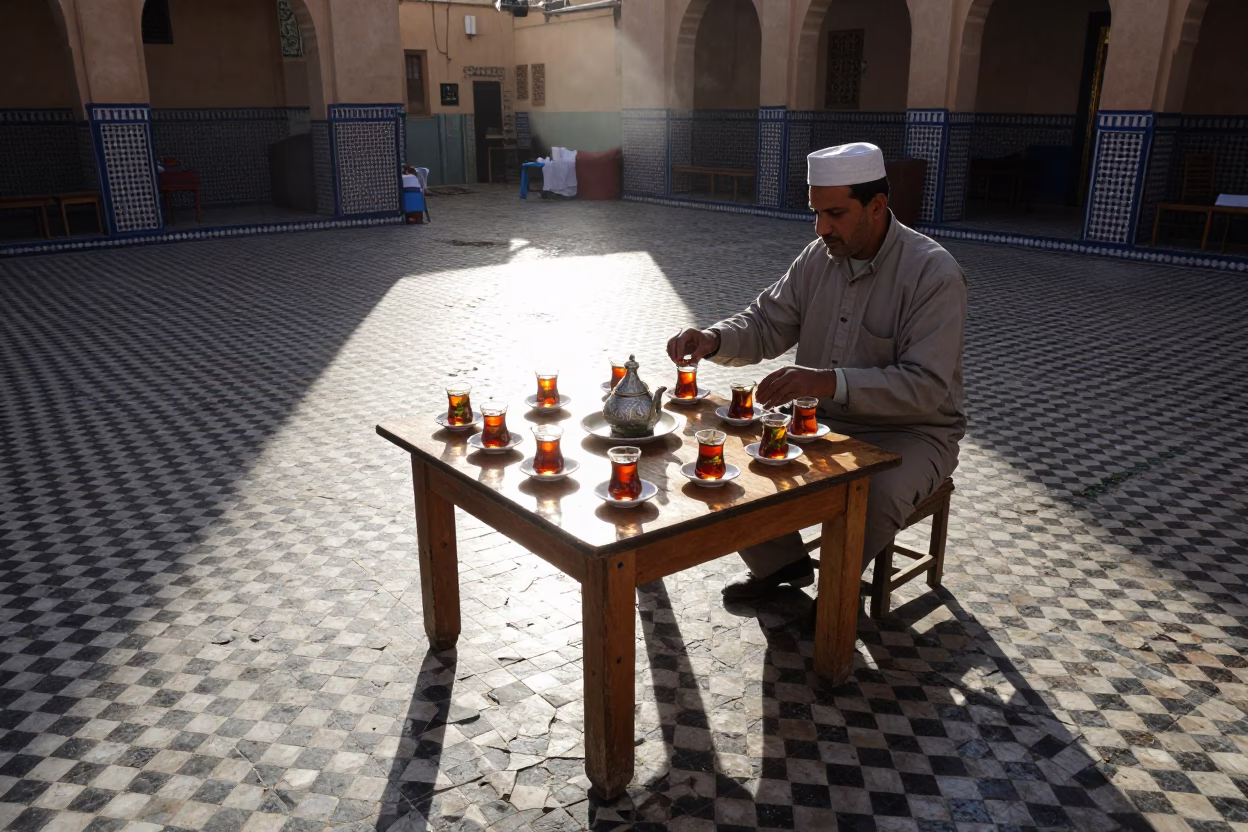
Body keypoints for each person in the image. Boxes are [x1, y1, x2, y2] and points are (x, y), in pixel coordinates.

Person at [666, 142, 967, 599]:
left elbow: (924, 388)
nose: (821, 227)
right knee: (738, 465)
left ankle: (834, 609)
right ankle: (781, 566)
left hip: (914, 433)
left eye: (835, 214)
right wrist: (713, 339)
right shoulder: (817, 258)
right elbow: (766, 322)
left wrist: (827, 382)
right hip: (821, 424)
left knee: (871, 495)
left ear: (877, 206)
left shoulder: (933, 274)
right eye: (816, 213)